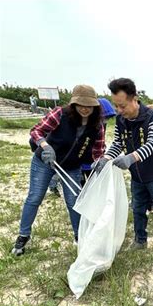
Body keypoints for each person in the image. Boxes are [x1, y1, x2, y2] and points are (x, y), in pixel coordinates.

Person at [12, 85, 105, 255]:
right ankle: (23, 235)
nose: (85, 109)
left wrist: (100, 163)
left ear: (95, 107)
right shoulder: (60, 113)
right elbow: (36, 131)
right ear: (74, 104)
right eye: (81, 105)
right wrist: (45, 146)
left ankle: (80, 237)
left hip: (72, 166)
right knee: (35, 197)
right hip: (45, 162)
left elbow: (98, 150)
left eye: (89, 106)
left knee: (74, 202)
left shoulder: (97, 125)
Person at [94, 78, 153, 260]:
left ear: (134, 98)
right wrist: (105, 159)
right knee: (138, 209)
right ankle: (140, 240)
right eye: (116, 106)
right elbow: (118, 142)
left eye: (122, 106)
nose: (119, 110)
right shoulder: (120, 120)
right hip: (137, 175)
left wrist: (131, 157)